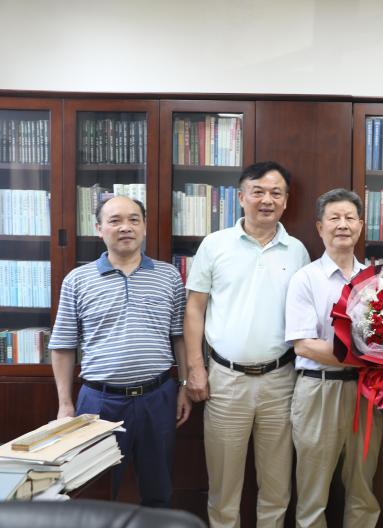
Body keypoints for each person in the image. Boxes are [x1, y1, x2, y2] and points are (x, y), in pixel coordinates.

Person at [183, 161, 310, 528]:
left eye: (275, 193)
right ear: (241, 198)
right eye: (258, 192)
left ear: (286, 201)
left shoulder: (297, 251)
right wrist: (195, 368)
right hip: (225, 380)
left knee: (277, 486)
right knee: (224, 488)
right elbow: (195, 308)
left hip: (281, 381)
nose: (266, 200)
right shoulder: (215, 245)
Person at [50, 195, 191, 507]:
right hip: (99, 400)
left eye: (133, 219)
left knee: (159, 491)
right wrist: (65, 404)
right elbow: (62, 346)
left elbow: (179, 337)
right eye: (115, 221)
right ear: (99, 228)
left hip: (158, 397)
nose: (125, 227)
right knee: (94, 492)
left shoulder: (168, 276)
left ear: (144, 227)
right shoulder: (77, 280)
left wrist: (183, 386)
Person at [285, 188, 383, 528]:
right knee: (313, 493)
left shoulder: (377, 281)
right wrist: (369, 358)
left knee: (363, 488)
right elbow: (304, 346)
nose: (343, 224)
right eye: (334, 218)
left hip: (366, 393)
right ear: (319, 227)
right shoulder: (305, 279)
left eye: (350, 218)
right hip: (319, 391)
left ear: (360, 225)